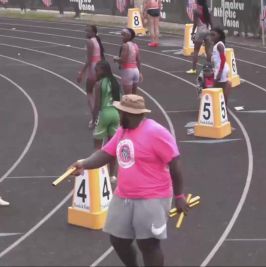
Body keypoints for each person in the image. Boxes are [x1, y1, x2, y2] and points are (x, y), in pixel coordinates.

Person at [69, 94, 188, 267]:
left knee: (148, 244)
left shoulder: (156, 132)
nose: (119, 115)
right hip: (124, 196)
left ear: (134, 114)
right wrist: (83, 164)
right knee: (118, 240)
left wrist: (179, 196)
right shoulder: (123, 131)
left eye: (122, 113)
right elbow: (106, 153)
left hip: (152, 197)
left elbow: (175, 163)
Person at [92, 60, 121, 182]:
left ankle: (98, 173)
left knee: (98, 147)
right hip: (115, 114)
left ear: (103, 71)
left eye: (97, 70)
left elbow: (97, 104)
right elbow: (118, 101)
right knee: (112, 147)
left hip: (105, 114)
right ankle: (111, 175)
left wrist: (94, 119)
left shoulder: (99, 84)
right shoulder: (115, 82)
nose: (95, 73)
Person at [77, 25, 105, 129]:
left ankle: (94, 119)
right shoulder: (97, 40)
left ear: (93, 32)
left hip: (93, 68)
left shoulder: (89, 42)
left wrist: (81, 73)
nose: (86, 33)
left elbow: (89, 60)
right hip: (100, 67)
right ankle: (99, 117)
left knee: (89, 93)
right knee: (99, 94)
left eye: (88, 31)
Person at [186, 0, 212, 75]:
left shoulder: (196, 10)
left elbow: (195, 22)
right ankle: (210, 68)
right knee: (208, 51)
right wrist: (212, 31)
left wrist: (193, 32)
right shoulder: (207, 10)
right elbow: (211, 22)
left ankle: (194, 69)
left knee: (196, 51)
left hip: (200, 30)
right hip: (208, 29)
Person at [114, 28, 142, 95]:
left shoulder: (125, 45)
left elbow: (123, 60)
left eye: (123, 35)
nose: (122, 37)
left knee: (128, 97)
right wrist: (139, 72)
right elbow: (138, 60)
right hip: (136, 71)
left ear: (129, 36)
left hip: (127, 71)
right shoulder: (135, 45)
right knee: (134, 96)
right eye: (121, 35)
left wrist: (115, 58)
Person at [210, 28, 232, 105]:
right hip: (219, 68)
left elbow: (223, 59)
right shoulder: (217, 45)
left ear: (219, 35)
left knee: (218, 88)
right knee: (218, 87)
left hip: (221, 69)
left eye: (213, 35)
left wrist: (219, 72)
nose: (211, 37)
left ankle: (223, 105)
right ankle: (222, 105)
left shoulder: (219, 45)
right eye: (211, 35)